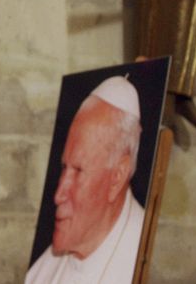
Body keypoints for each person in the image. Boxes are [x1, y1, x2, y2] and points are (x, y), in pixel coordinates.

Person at [26, 76, 145, 284]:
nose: (58, 195)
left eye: (78, 171)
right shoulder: (57, 255)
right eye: (64, 167)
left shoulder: (145, 256)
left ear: (117, 178)